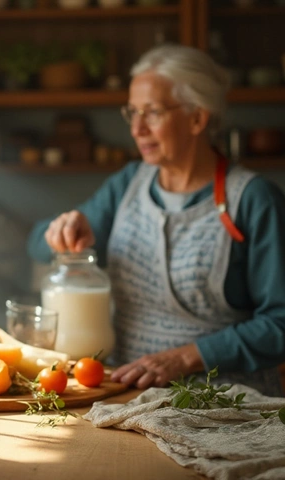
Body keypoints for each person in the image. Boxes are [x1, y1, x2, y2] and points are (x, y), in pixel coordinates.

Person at [27, 44, 285, 397]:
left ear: (197, 118)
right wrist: (59, 232)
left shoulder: (255, 200)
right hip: (126, 392)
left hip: (227, 401)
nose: (137, 129)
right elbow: (37, 245)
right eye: (132, 113)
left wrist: (186, 357)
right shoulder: (127, 185)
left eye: (152, 113)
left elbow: (280, 325)